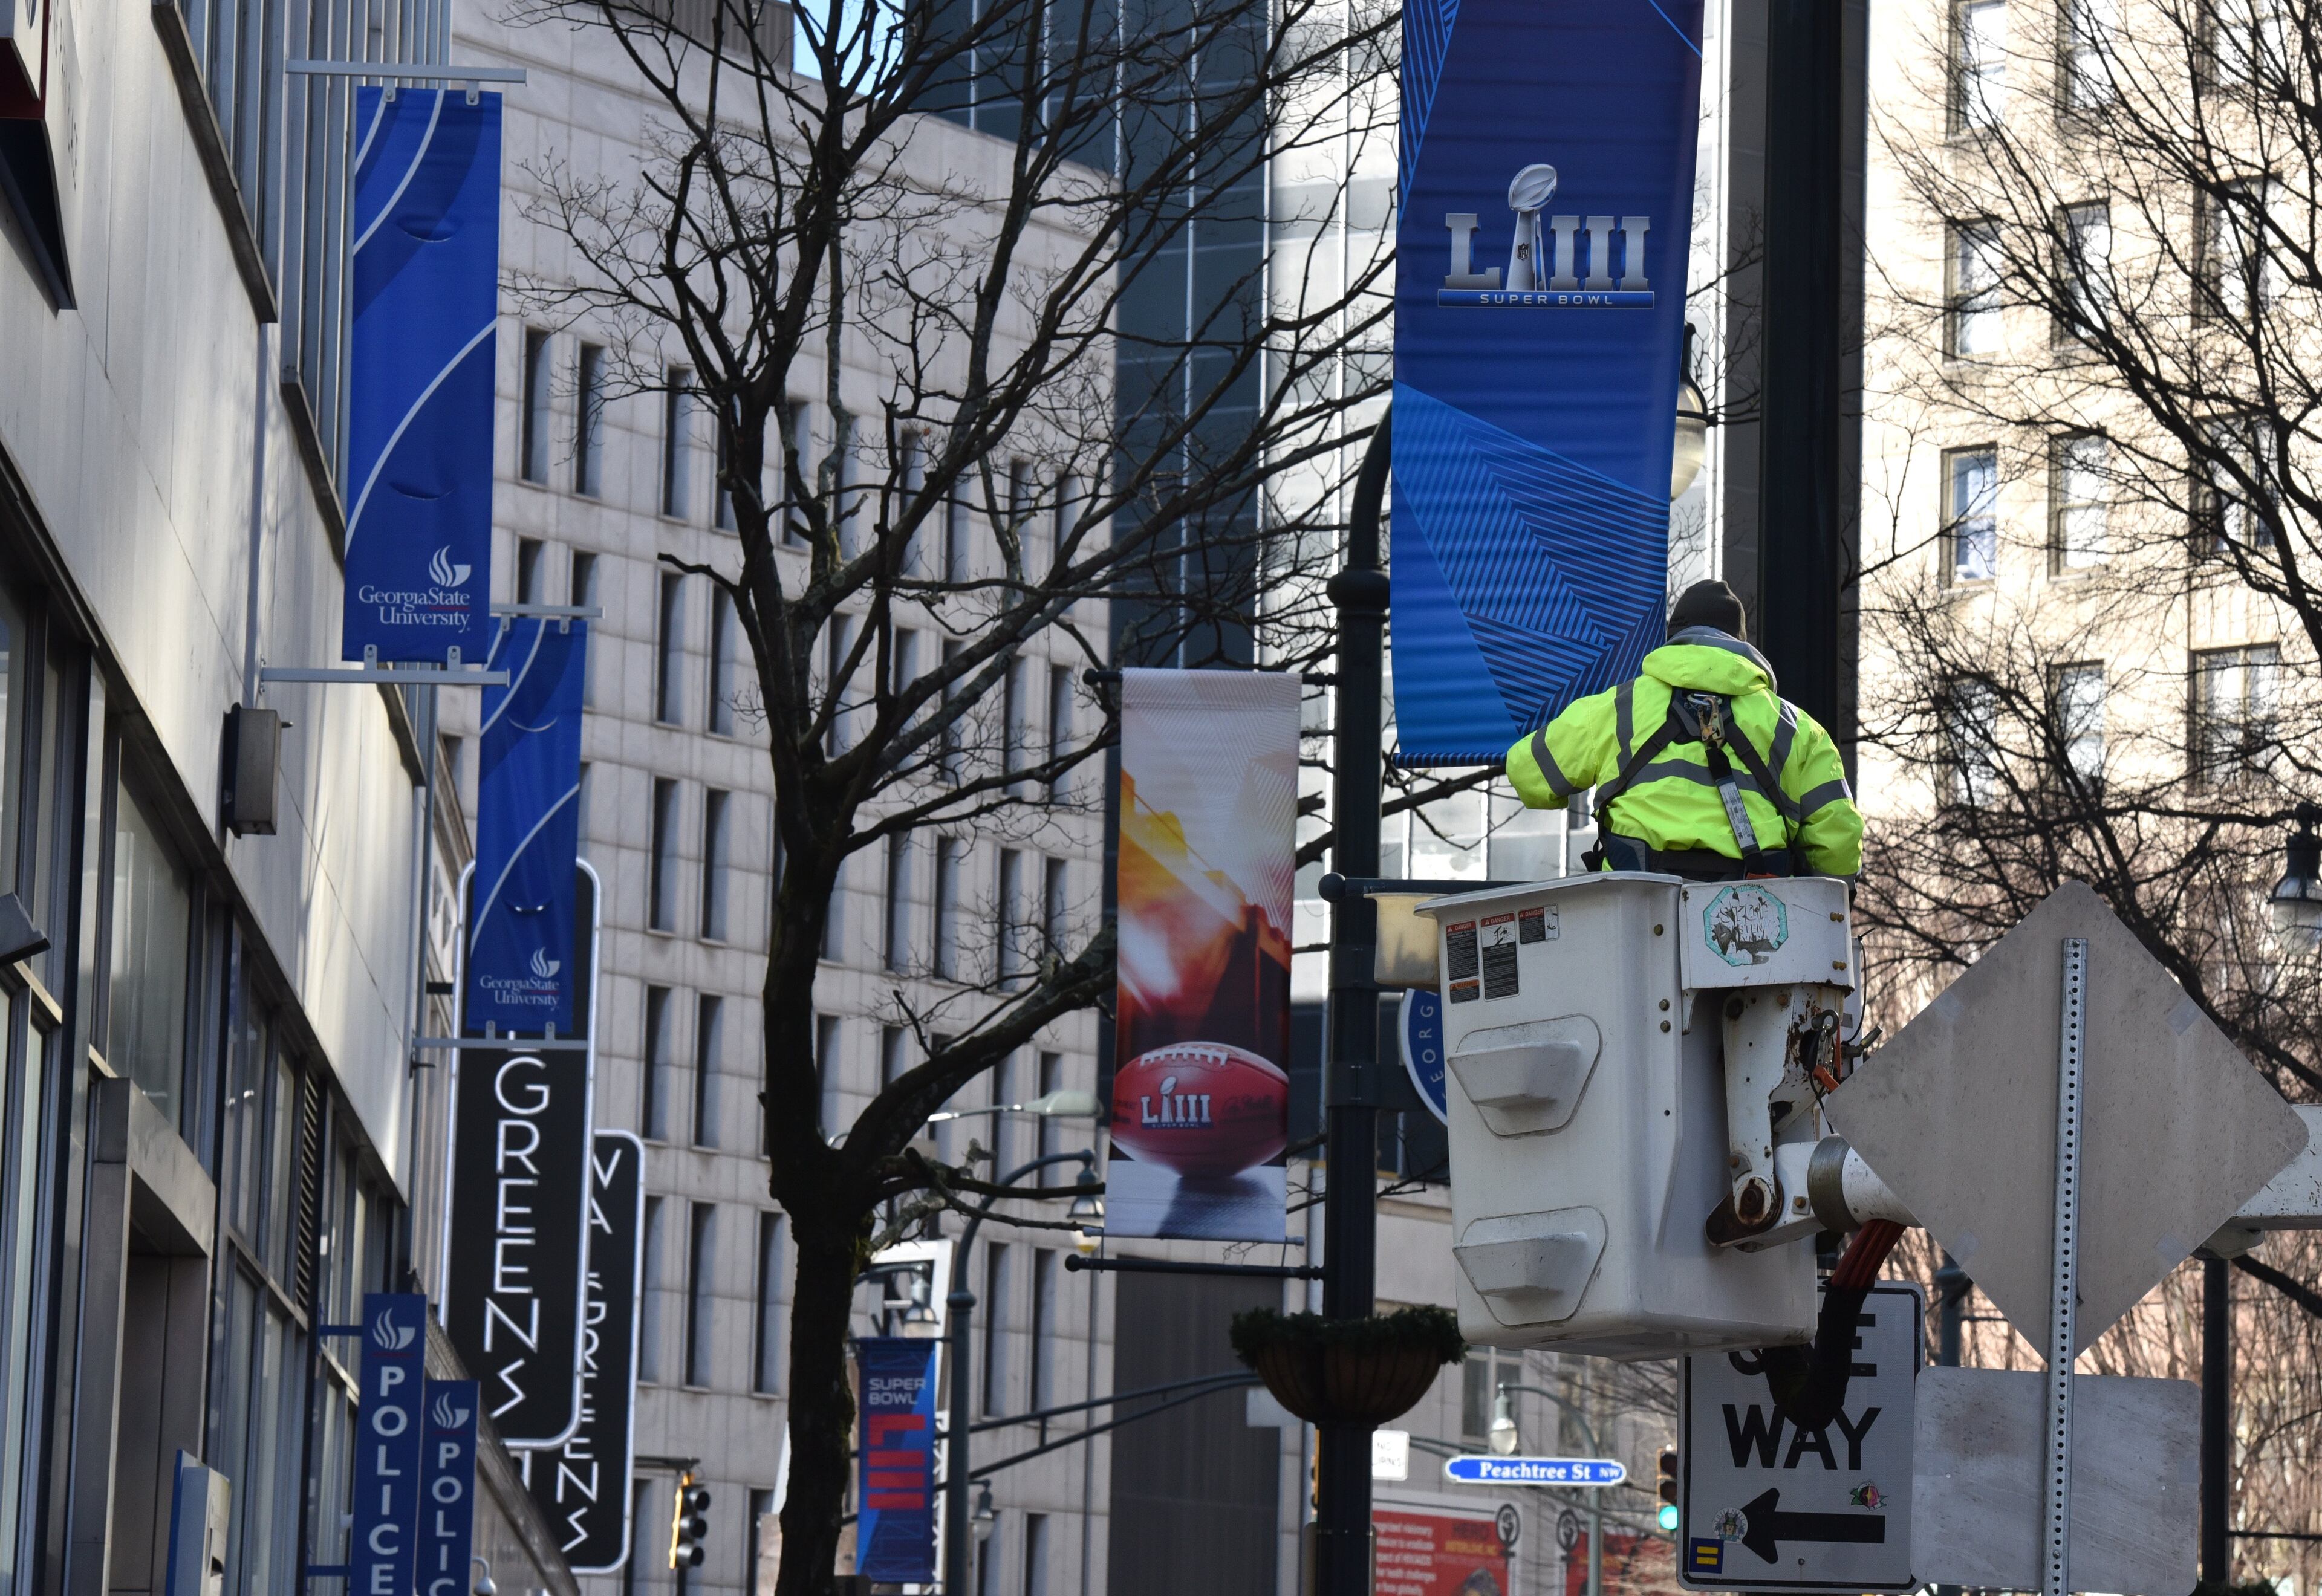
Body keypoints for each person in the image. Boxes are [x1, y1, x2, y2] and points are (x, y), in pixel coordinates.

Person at [1502, 580, 1862, 879]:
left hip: (1636, 910)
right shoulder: (1798, 729)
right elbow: (1837, 840)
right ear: (1739, 644)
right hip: (1755, 922)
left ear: (1674, 636)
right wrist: (1838, 895)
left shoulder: (1617, 709)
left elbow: (1528, 773)